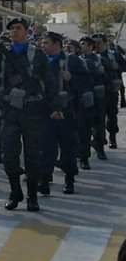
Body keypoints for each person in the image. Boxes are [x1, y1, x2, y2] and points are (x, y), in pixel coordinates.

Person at [0, 17, 49, 212]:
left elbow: (50, 81)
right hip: (10, 111)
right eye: (12, 29)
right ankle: (15, 191)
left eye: (18, 28)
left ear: (27, 32)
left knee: (32, 156)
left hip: (32, 111)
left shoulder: (37, 54)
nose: (14, 32)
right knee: (8, 156)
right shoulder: (3, 54)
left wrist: (55, 107)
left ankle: (32, 196)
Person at [38, 31, 80, 196]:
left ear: (56, 44)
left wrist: (71, 79)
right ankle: (44, 180)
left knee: (68, 147)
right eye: (42, 43)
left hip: (65, 112)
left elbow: (86, 84)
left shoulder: (71, 61)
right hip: (46, 111)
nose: (43, 46)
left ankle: (69, 179)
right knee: (46, 147)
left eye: (46, 43)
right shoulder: (40, 62)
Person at [74, 37, 100, 170]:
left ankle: (84, 157)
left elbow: (97, 77)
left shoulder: (91, 61)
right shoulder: (70, 61)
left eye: (83, 44)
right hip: (72, 100)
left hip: (86, 98)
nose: (81, 46)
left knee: (85, 129)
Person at [81, 36, 108, 162]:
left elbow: (108, 74)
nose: (81, 46)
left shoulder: (99, 58)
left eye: (84, 44)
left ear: (90, 46)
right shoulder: (77, 59)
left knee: (99, 123)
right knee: (84, 126)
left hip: (97, 95)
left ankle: (100, 148)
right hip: (84, 95)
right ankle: (84, 156)